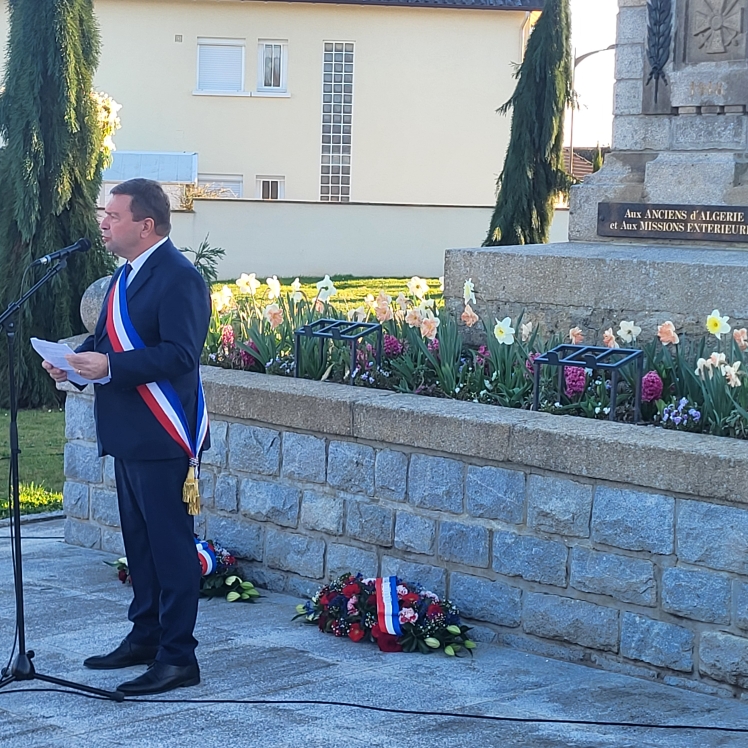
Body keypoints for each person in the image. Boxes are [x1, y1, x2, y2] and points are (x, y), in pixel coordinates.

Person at [43, 178, 211, 696]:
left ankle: (178, 657)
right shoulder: (125, 274)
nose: (103, 224)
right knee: (140, 546)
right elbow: (104, 341)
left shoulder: (180, 278)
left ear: (146, 224)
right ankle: (145, 637)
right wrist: (72, 365)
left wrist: (110, 366)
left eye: (113, 216)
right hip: (129, 433)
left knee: (170, 549)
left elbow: (181, 354)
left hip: (163, 434)